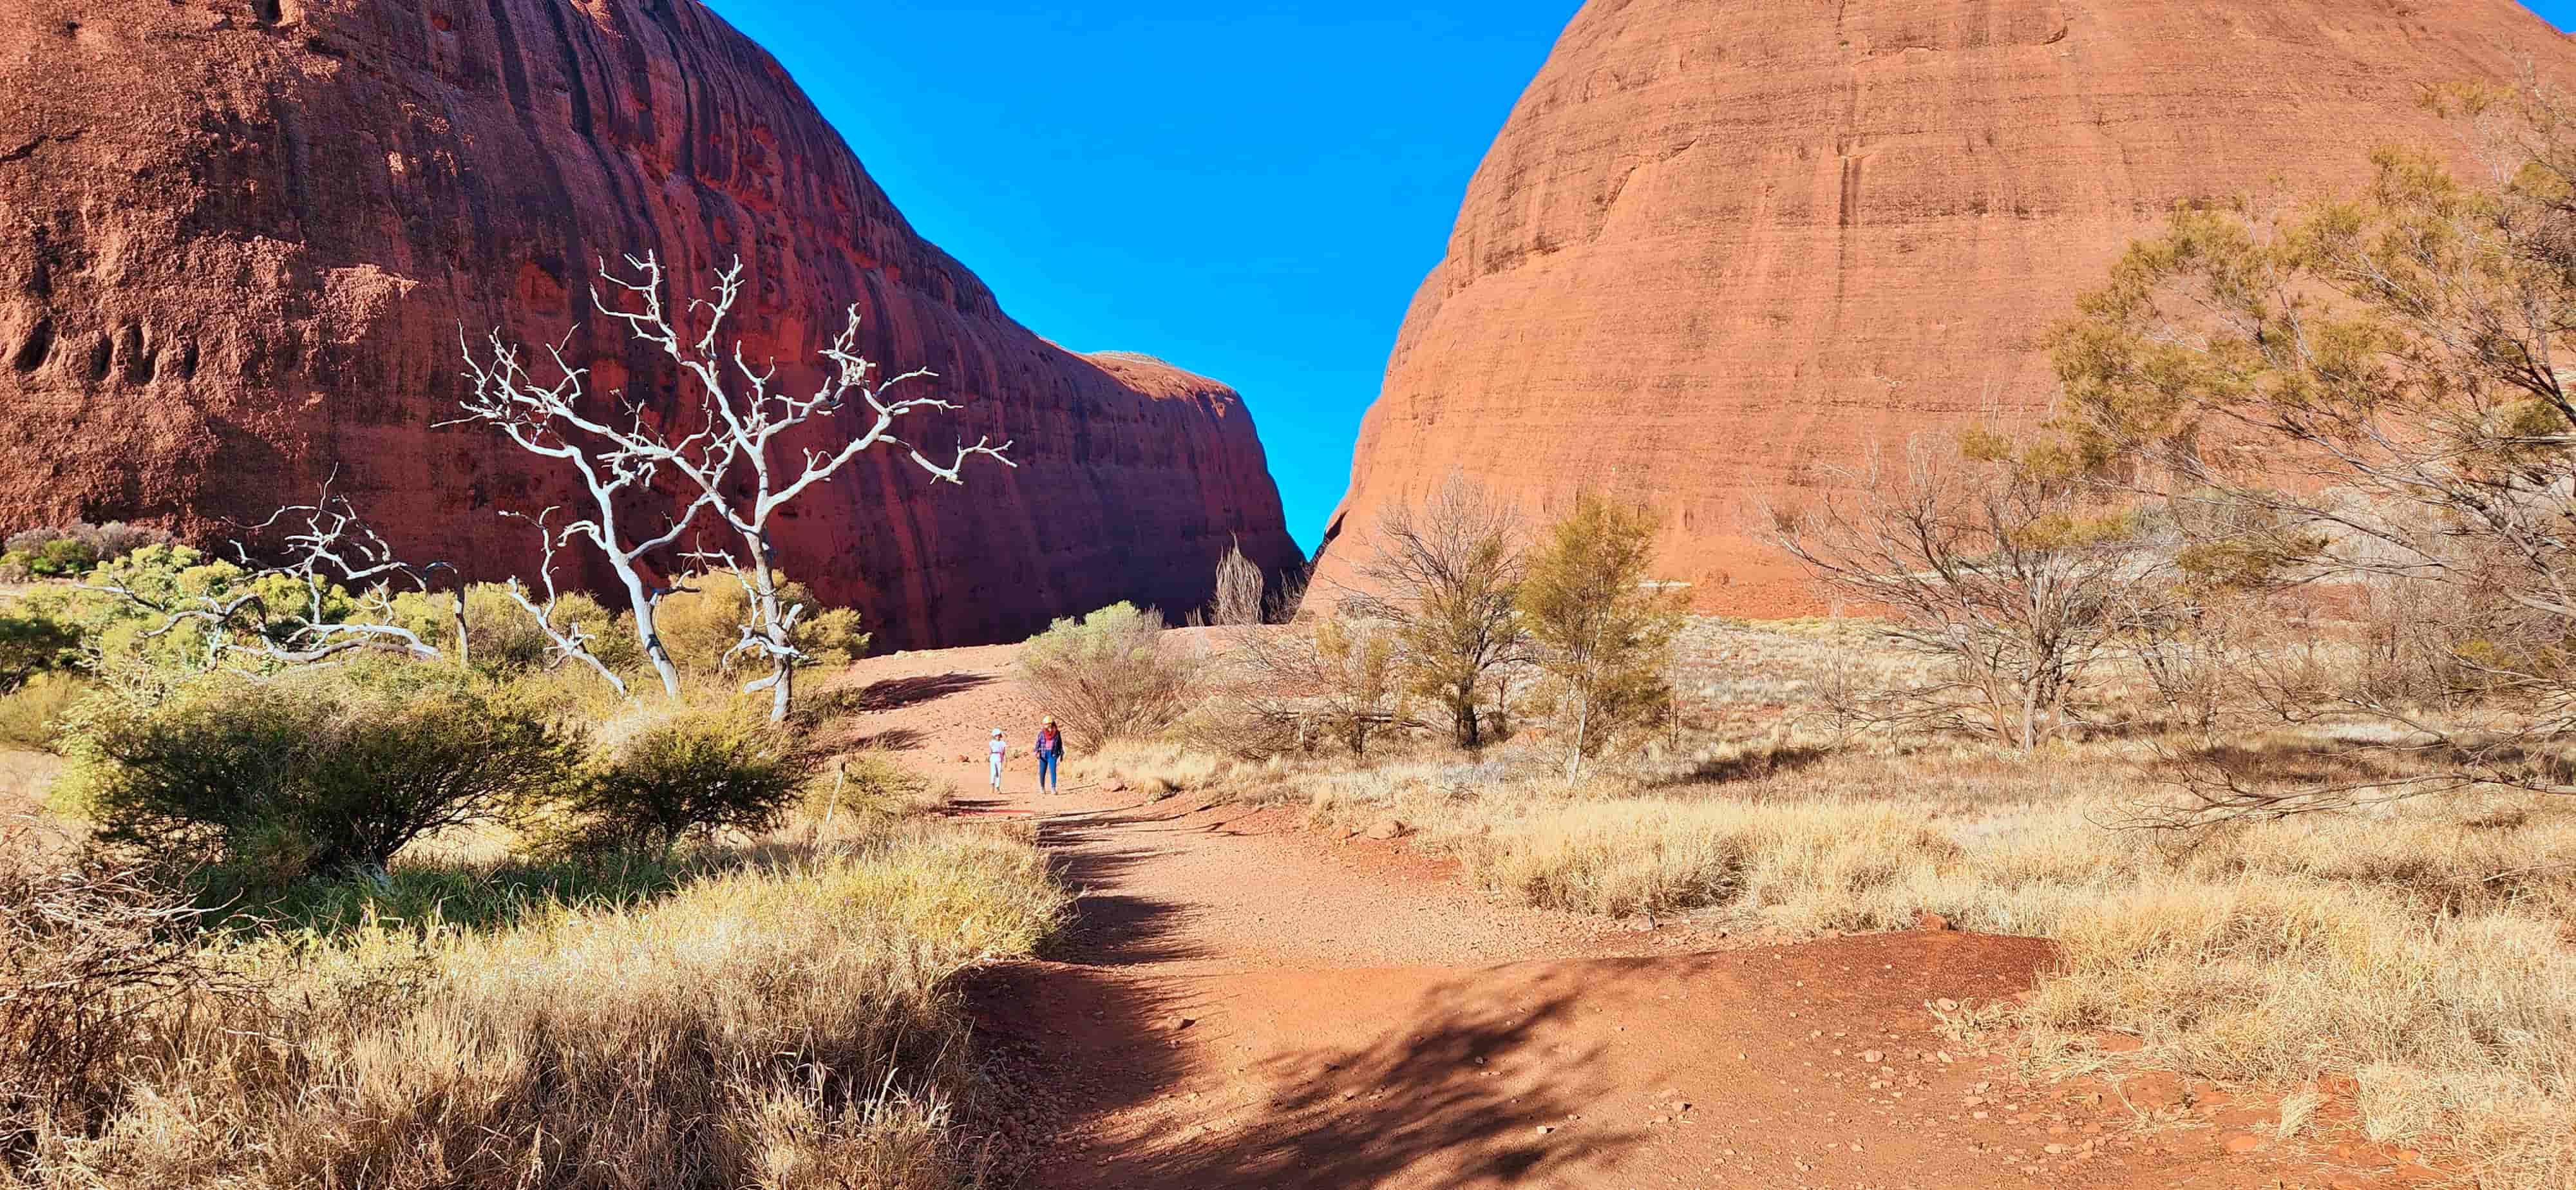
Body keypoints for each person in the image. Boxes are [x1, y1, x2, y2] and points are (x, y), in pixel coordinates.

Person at [1033, 715, 1065, 794]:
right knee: (1042, 772)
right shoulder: (1042, 733)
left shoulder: (1057, 733)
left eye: (1046, 724)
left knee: (1053, 771)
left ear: (1050, 724)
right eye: (1045, 724)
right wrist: (1036, 751)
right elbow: (1038, 743)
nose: (1045, 725)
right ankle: (1042, 787)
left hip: (1053, 754)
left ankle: (1053, 788)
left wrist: (1061, 754)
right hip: (1043, 754)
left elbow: (1060, 744)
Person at [987, 728, 1006, 793]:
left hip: (999, 757)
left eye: (999, 735)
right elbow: (990, 751)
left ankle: (997, 788)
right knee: (993, 772)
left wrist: (1004, 759)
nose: (998, 736)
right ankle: (992, 786)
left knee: (999, 773)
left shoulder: (1003, 743)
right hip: (993, 757)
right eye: (997, 735)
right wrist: (989, 757)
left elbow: (1004, 752)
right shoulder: (992, 743)